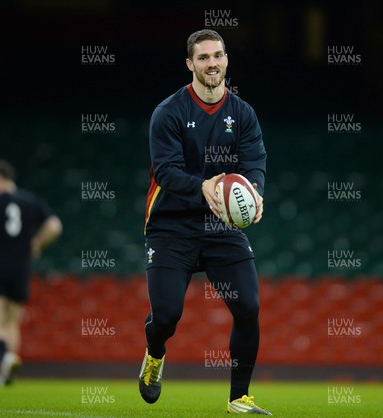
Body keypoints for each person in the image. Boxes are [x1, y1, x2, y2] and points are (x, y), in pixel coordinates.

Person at [139, 29, 272, 415]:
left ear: (227, 60)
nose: (212, 63)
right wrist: (205, 187)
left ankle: (239, 397)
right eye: (203, 58)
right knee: (166, 317)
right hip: (170, 226)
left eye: (218, 56)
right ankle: (154, 354)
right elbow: (165, 172)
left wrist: (256, 194)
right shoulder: (168, 112)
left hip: (222, 227)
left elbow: (254, 163)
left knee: (248, 306)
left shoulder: (243, 114)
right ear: (190, 64)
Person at [0, 159, 62, 385]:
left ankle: (5, 356)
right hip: (21, 268)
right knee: (11, 323)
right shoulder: (31, 201)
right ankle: (8, 372)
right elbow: (55, 226)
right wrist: (36, 244)